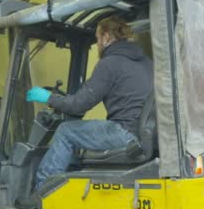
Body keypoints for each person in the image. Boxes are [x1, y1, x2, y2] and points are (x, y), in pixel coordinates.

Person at [26, 16, 153, 189]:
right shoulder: (146, 62)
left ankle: (41, 192)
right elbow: (85, 97)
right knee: (78, 132)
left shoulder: (109, 63)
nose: (98, 44)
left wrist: (48, 97)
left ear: (107, 37)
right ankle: (71, 184)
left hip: (125, 132)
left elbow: (79, 105)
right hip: (144, 133)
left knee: (66, 131)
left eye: (98, 39)